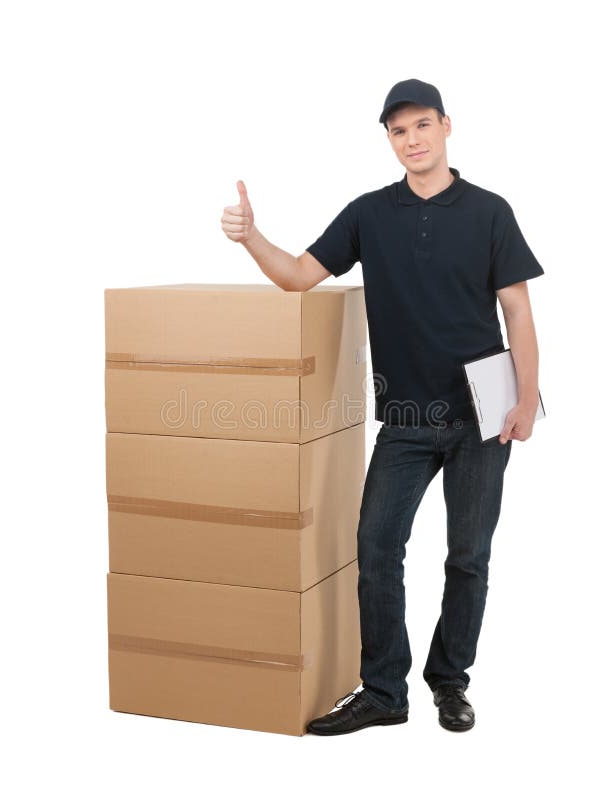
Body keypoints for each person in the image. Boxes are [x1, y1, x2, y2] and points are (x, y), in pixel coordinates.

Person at [220, 78, 544, 735]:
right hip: (405, 419)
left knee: (469, 556)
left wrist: (528, 399)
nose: (412, 140)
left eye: (422, 125)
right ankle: (384, 693)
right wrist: (251, 237)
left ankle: (450, 682)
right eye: (399, 131)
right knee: (375, 545)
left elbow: (517, 310)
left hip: (484, 413)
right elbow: (297, 276)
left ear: (446, 127)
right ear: (390, 141)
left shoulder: (490, 211)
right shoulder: (370, 214)